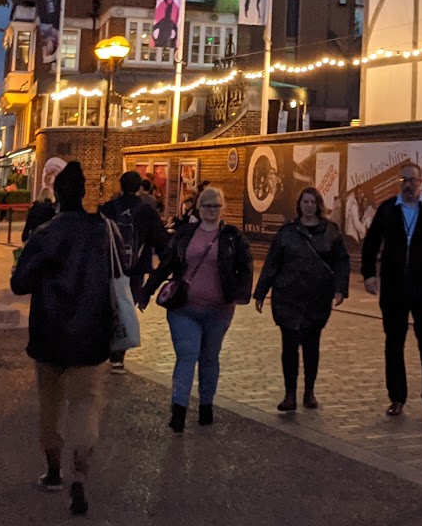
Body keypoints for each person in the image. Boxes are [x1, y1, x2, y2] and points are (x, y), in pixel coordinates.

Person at [9, 162, 111, 517]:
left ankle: (53, 471)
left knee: (51, 403)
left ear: (56, 194)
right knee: (86, 401)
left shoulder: (45, 233)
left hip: (50, 330)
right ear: (84, 193)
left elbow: (19, 284)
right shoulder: (103, 231)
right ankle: (80, 473)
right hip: (92, 331)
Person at [143, 187, 251, 433]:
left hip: (219, 310)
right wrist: (147, 290)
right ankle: (179, 410)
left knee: (210, 357)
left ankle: (206, 405)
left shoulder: (233, 236)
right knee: (187, 355)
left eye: (216, 206)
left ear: (222, 208)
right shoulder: (185, 234)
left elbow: (244, 267)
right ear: (199, 208)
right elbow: (167, 264)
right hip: (185, 307)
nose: (211, 211)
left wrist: (242, 294)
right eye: (207, 206)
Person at [360, 163, 422, 419]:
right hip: (393, 288)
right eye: (404, 180)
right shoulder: (388, 209)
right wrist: (369, 273)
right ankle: (397, 397)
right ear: (398, 182)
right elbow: (371, 241)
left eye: (413, 180)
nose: (409, 185)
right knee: (394, 343)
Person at [254, 187, 351, 412]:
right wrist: (260, 292)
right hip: (288, 297)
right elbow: (272, 263)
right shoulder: (288, 232)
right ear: (299, 205)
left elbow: (341, 261)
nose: (308, 206)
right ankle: (289, 394)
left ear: (318, 205)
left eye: (312, 202)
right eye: (305, 202)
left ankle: (309, 391)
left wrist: (340, 289)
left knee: (311, 346)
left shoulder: (330, 231)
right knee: (289, 347)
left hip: (317, 298)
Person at [99, 170, 170, 371]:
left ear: (120, 186)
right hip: (136, 268)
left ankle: (107, 345)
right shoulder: (146, 211)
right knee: (126, 306)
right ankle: (118, 354)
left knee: (108, 304)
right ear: (139, 187)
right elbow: (161, 242)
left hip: (110, 267)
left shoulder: (108, 208)